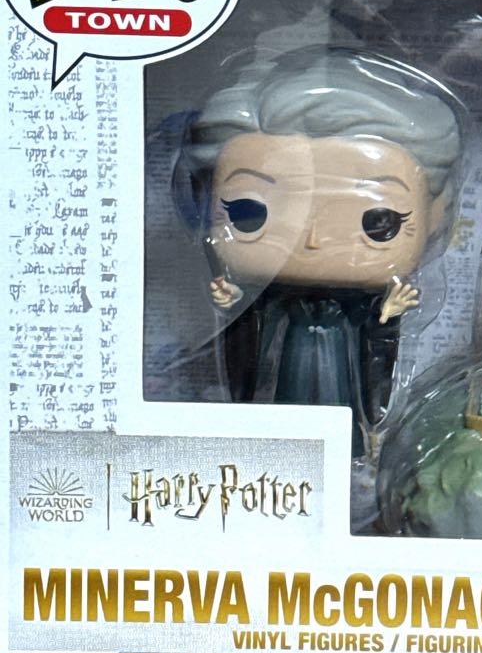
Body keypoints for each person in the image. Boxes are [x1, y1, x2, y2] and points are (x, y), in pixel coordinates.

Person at [182, 46, 463, 446]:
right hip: (284, 370)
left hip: (340, 365)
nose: (313, 240)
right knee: (281, 405)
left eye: (378, 222)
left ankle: (347, 446)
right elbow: (248, 334)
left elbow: (375, 350)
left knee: (342, 407)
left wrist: (386, 313)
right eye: (249, 212)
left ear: (436, 214)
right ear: (206, 201)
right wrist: (234, 304)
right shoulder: (271, 300)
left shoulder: (358, 303)